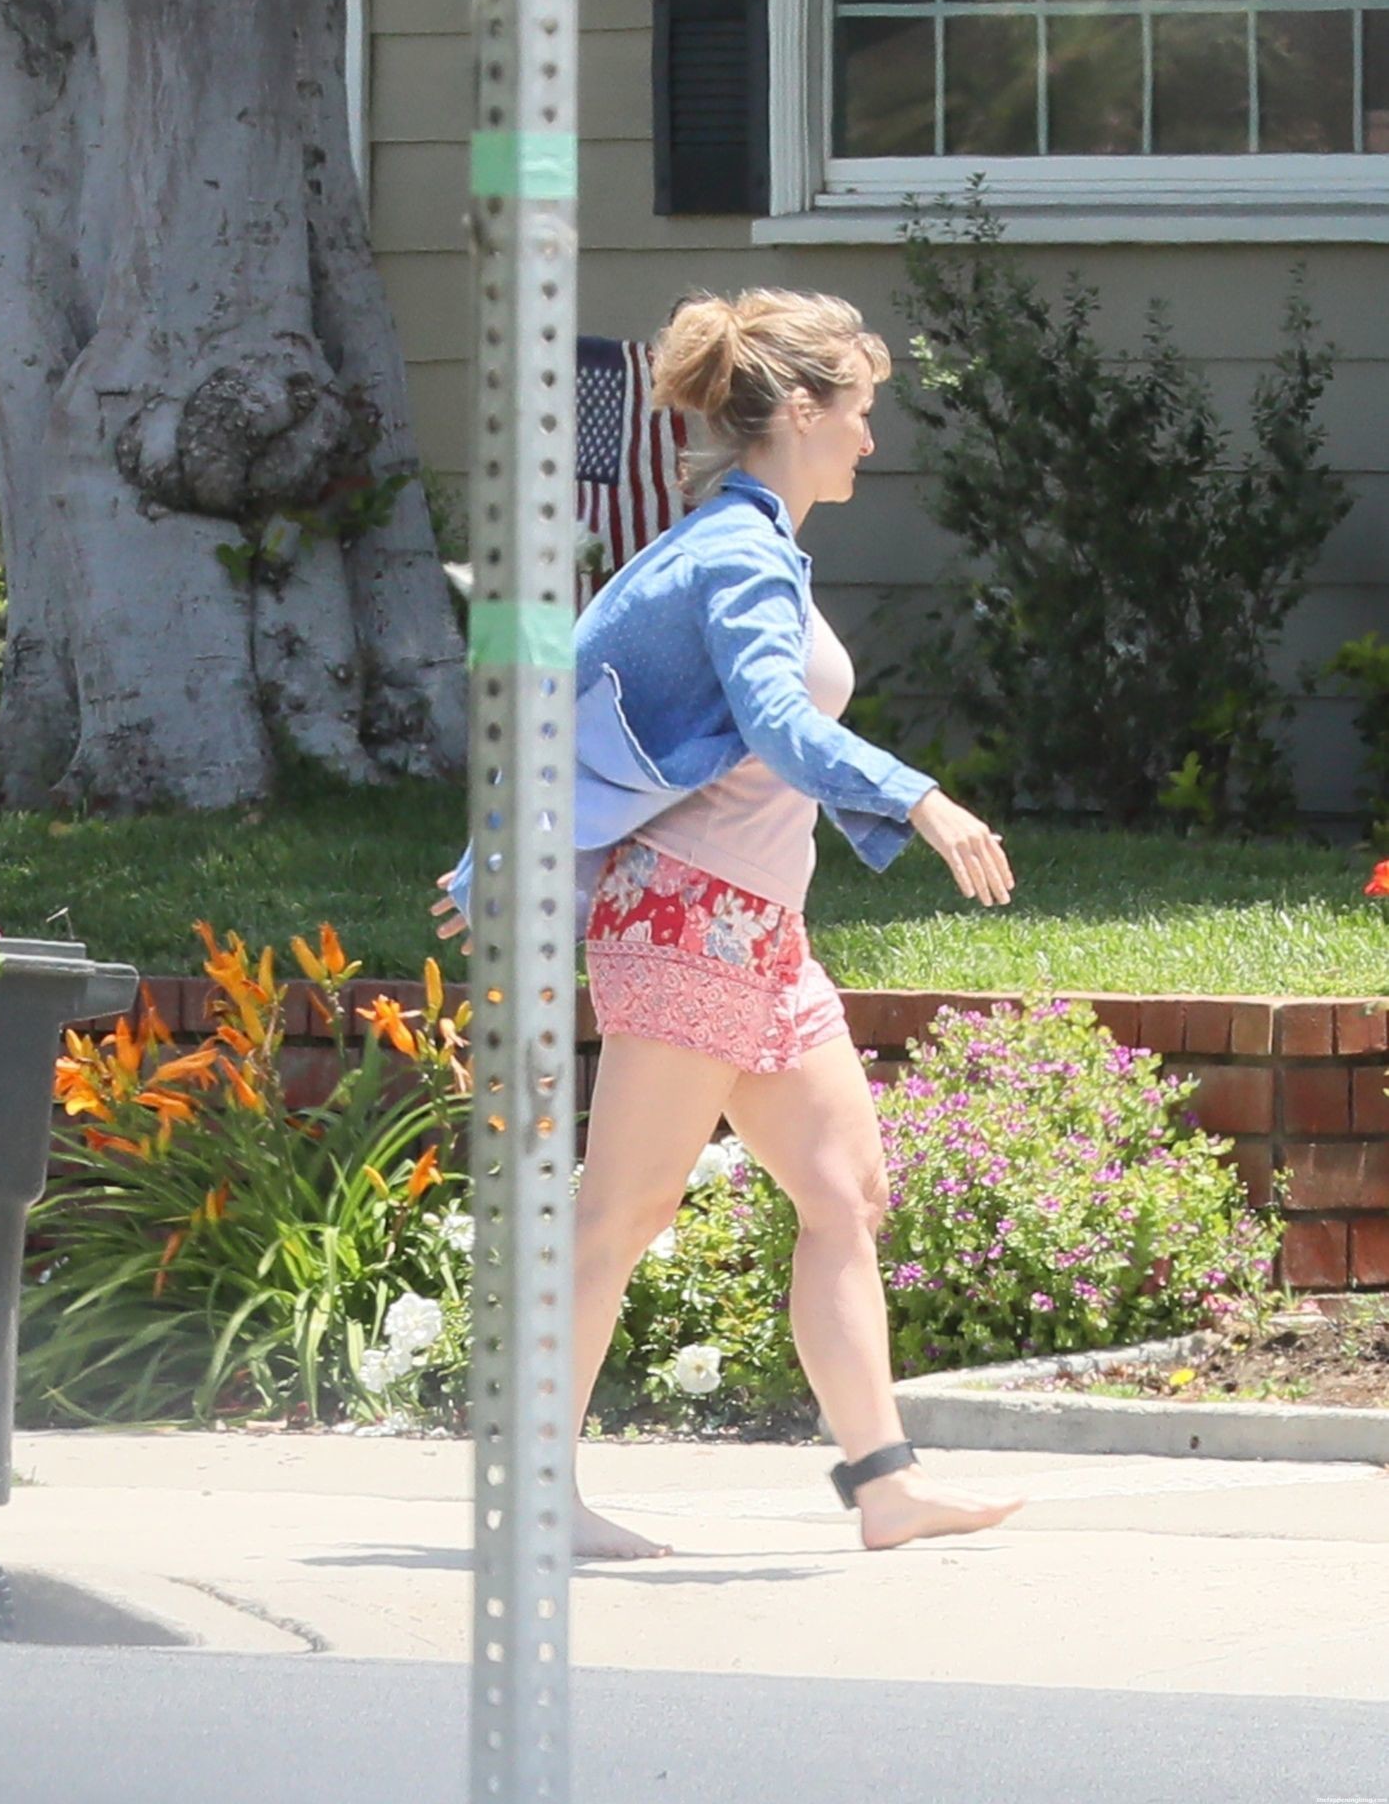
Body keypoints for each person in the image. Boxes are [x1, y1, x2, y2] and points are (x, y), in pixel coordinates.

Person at [433, 288, 1025, 1560]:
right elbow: (776, 723)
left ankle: (884, 1485)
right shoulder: (736, 557)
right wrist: (916, 798)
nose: (869, 436)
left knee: (844, 1192)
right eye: (858, 409)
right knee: (621, 1212)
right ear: (799, 411)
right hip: (688, 919)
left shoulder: (748, 546)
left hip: (758, 930)